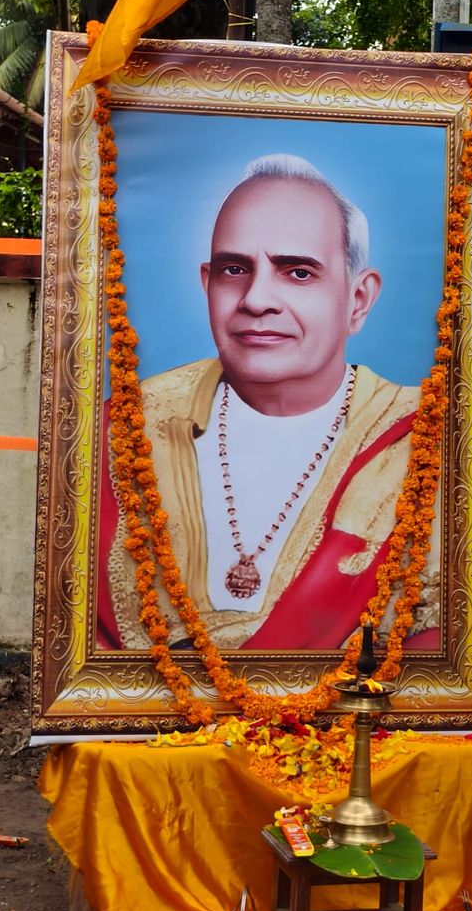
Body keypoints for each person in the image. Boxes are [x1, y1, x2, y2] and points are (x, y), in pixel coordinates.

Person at [96, 154, 440, 653]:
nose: (257, 299)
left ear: (358, 300)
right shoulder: (126, 429)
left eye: (297, 273)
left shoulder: (425, 442)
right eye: (234, 269)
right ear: (206, 285)